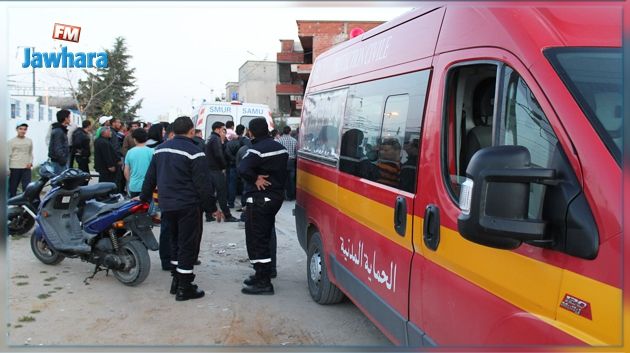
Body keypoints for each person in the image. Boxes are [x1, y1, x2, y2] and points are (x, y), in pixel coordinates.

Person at [140, 116, 224, 301]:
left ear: (173, 131)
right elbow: (203, 185)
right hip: (188, 206)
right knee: (187, 245)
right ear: (191, 131)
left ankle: (176, 281)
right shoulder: (195, 152)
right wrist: (212, 208)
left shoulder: (159, 150)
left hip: (167, 205)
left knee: (175, 242)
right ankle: (185, 287)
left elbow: (150, 178)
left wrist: (142, 199)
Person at [238, 118, 288, 295]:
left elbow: (242, 168)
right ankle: (260, 274)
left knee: (258, 239)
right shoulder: (280, 147)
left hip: (260, 199)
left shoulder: (256, 149)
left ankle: (264, 282)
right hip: (275, 197)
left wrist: (255, 179)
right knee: (264, 236)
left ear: (250, 132)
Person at [205, 121, 239, 222]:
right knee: (222, 194)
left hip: (209, 169)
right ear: (218, 129)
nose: (224, 132)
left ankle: (209, 215)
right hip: (216, 170)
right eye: (223, 129)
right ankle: (227, 216)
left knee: (211, 194)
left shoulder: (210, 138)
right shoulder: (216, 139)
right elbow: (219, 155)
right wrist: (224, 166)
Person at [124, 128, 154, 198]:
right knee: (149, 208)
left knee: (135, 207)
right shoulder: (152, 151)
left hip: (134, 186)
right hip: (149, 186)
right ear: (146, 138)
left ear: (134, 139)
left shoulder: (130, 152)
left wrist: (130, 181)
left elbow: (126, 171)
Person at [224, 124, 247, 208]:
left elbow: (227, 154)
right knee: (245, 184)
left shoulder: (230, 143)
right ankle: (244, 203)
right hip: (242, 166)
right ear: (243, 131)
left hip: (232, 166)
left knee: (232, 185)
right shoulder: (243, 142)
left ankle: (230, 203)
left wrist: (234, 160)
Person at [8, 122, 33, 197]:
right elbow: (7, 155)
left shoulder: (29, 141)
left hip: (26, 167)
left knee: (27, 187)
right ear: (17, 129)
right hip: (15, 167)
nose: (23, 131)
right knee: (13, 187)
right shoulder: (11, 141)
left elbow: (30, 153)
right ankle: (12, 204)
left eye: (25, 129)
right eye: (20, 129)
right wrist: (7, 169)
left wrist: (30, 162)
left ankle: (24, 205)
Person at [277, 126, 298, 201]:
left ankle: (283, 195)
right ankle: (291, 195)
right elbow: (296, 152)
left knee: (283, 179)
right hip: (291, 161)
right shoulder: (294, 140)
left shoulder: (279, 140)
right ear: (290, 132)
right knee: (291, 179)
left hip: (282, 161)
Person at [48, 109, 72, 175]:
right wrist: (63, 160)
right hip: (59, 162)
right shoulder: (58, 131)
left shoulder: (61, 130)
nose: (70, 119)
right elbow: (58, 148)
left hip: (61, 161)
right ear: (65, 118)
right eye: (69, 117)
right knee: (59, 182)